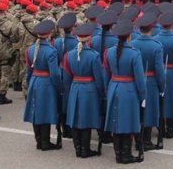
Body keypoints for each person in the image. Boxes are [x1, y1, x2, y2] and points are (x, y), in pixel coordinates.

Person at [104, 19, 146, 164]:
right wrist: (143, 95)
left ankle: (118, 154)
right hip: (128, 89)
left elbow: (106, 73)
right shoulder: (134, 54)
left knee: (116, 121)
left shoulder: (109, 52)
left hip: (113, 86)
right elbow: (140, 79)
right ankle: (126, 155)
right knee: (128, 122)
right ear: (129, 36)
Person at [64, 23, 105, 158]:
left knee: (76, 118)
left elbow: (68, 75)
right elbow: (99, 78)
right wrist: (102, 93)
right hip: (89, 88)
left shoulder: (69, 55)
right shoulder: (93, 55)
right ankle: (85, 149)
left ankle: (78, 148)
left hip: (75, 87)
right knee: (86, 119)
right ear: (89, 38)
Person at [24, 19, 62, 151]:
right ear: (49, 34)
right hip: (46, 82)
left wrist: (29, 83)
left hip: (35, 80)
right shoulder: (51, 51)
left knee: (36, 110)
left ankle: (39, 140)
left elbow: (28, 70)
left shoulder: (30, 49)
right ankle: (45, 142)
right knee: (45, 111)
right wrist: (59, 88)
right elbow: (55, 74)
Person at [130, 13, 166, 150]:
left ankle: (138, 139)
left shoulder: (133, 43)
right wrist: (162, 86)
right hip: (150, 81)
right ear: (151, 28)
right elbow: (159, 70)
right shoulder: (156, 46)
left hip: (136, 81)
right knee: (150, 111)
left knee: (138, 111)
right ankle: (146, 140)